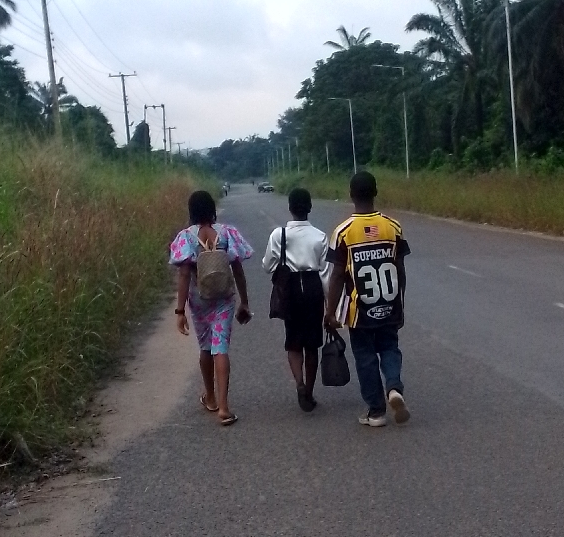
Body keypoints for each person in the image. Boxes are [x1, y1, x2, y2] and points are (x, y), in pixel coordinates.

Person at [325, 171, 411, 427]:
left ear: (351, 195)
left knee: (365, 357)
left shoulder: (343, 232)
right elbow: (400, 270)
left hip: (359, 310)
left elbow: (337, 275)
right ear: (376, 193)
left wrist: (330, 311)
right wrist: (400, 304)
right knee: (390, 348)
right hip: (389, 304)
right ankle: (393, 386)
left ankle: (376, 412)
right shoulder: (393, 227)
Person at [170, 190, 253, 426]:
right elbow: (238, 270)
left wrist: (180, 311)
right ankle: (224, 409)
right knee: (221, 347)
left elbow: (184, 275)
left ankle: (211, 397)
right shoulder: (226, 233)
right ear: (212, 209)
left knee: (205, 347)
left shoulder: (186, 237)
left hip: (199, 300)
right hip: (224, 298)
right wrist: (244, 301)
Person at [263, 187, 329, 412]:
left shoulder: (278, 235)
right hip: (312, 287)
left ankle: (299, 383)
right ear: (310, 207)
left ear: (290, 208)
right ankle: (309, 391)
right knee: (312, 344)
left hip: (289, 289)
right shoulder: (320, 236)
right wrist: (330, 307)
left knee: (293, 340)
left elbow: (267, 266)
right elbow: (326, 274)